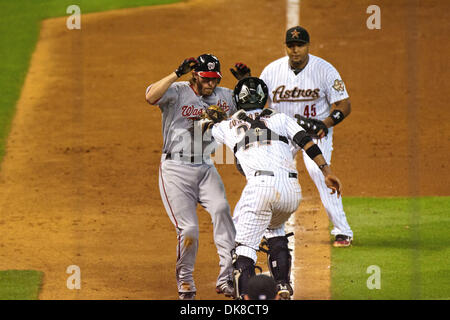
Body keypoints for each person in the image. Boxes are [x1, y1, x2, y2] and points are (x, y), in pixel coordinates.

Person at [199, 77, 342, 299]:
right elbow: (307, 141)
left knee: (244, 247)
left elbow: (204, 127)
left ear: (238, 100)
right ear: (264, 98)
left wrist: (211, 117)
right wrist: (327, 172)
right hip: (291, 192)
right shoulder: (282, 118)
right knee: (275, 229)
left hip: (260, 188)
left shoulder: (227, 126)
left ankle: (247, 298)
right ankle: (283, 284)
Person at [145, 54, 247, 300]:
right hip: (175, 170)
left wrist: (246, 82)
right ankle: (185, 279)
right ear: (195, 76)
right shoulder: (177, 91)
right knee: (189, 229)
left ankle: (227, 278)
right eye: (206, 79)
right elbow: (150, 96)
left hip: (205, 167)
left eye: (214, 79)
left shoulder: (224, 96)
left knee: (222, 210)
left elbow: (256, 106)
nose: (210, 84)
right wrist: (175, 73)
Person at [258, 25, 353, 248]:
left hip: (315, 131)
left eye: (299, 45)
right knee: (270, 175)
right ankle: (268, 229)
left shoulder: (325, 70)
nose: (295, 50)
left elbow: (344, 104)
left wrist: (326, 123)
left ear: (308, 46)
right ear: (285, 47)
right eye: (291, 46)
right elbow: (258, 104)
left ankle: (342, 230)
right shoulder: (271, 71)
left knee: (317, 170)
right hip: (284, 131)